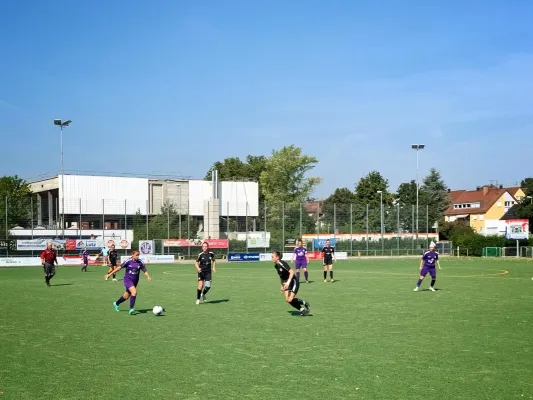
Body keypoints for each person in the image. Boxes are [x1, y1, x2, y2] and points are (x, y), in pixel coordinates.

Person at [105, 249, 151, 314]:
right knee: (134, 292)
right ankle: (131, 309)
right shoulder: (128, 261)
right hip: (127, 280)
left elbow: (144, 270)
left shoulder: (140, 262)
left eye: (138, 255)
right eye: (136, 255)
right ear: (132, 255)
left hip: (135, 281)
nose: (138, 256)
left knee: (126, 296)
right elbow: (118, 268)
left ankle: (116, 303)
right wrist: (109, 274)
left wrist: (148, 276)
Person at [272, 251, 310, 316]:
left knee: (290, 299)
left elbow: (292, 272)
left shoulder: (282, 263)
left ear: (277, 257)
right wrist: (282, 285)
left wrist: (288, 283)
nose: (271, 258)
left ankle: (304, 303)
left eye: (272, 257)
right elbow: (281, 276)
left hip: (294, 281)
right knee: (287, 299)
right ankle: (302, 310)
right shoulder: (276, 266)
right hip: (286, 283)